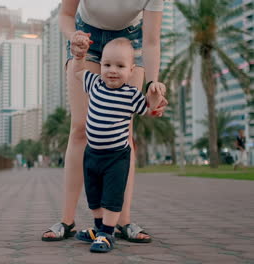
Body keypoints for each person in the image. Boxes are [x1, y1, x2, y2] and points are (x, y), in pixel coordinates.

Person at [42, 0, 167, 243]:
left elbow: (152, 41)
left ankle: (123, 222)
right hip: (87, 37)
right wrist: (74, 37)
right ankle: (67, 220)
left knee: (125, 133)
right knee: (80, 128)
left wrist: (153, 84)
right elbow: (66, 13)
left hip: (131, 42)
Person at [73, 37, 165, 253]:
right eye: (107, 65)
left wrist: (154, 93)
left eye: (120, 66)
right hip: (92, 154)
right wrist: (79, 58)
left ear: (131, 70)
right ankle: (98, 229)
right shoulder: (94, 83)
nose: (112, 70)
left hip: (116, 157)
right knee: (93, 195)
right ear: (101, 66)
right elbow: (78, 72)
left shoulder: (131, 95)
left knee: (113, 196)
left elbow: (150, 109)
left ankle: (108, 232)